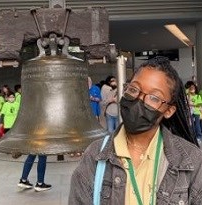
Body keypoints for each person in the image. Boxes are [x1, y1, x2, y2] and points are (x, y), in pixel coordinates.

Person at [69, 56, 202, 205]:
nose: (138, 99)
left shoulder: (191, 160)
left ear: (169, 111)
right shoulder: (94, 155)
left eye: (154, 98)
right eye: (133, 89)